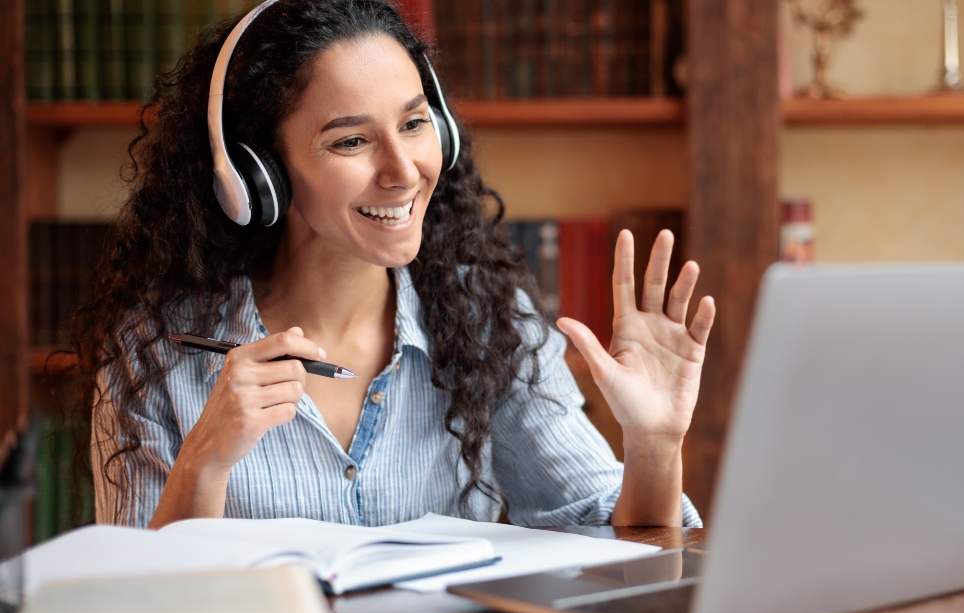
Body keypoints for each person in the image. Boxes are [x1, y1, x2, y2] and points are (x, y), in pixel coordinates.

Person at [69, 0, 716, 530]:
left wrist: (655, 445)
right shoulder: (155, 351)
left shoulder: (484, 316)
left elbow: (617, 540)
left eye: (413, 123)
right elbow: (139, 601)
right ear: (256, 174)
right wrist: (203, 464)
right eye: (351, 140)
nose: (404, 172)